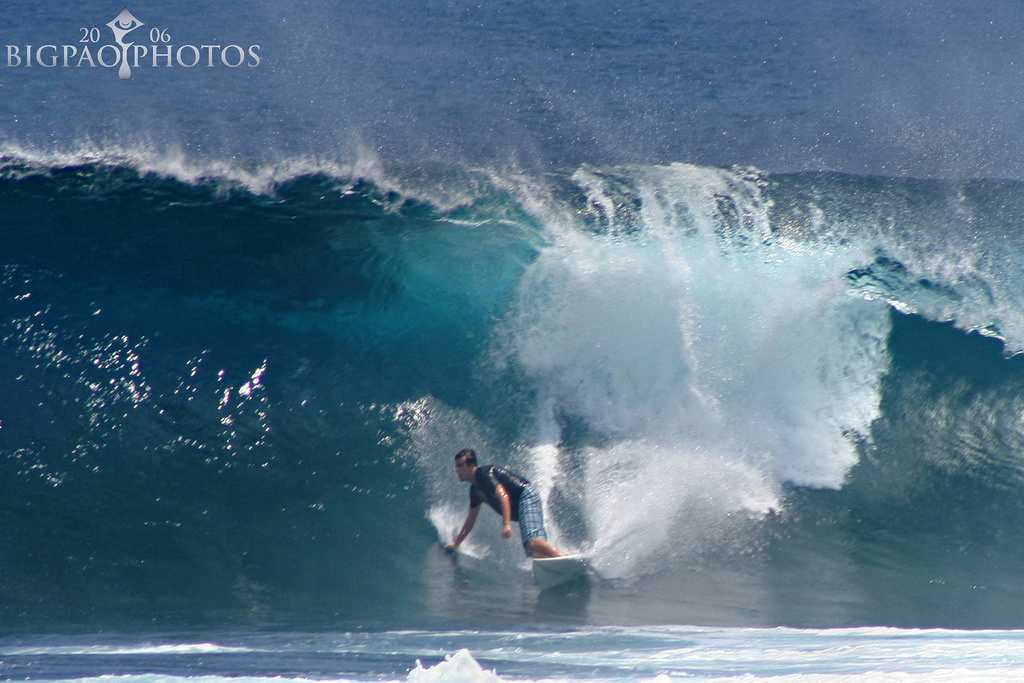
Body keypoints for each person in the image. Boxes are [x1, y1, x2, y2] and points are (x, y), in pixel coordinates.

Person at [446, 448, 562, 558]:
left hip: (525, 496)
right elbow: (470, 521)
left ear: (471, 466)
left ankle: (563, 558)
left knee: (532, 542)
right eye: (457, 466)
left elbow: (503, 496)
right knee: (533, 550)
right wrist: (457, 543)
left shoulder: (483, 474)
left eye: (460, 465)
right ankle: (556, 564)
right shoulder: (475, 490)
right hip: (521, 507)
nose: (457, 469)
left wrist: (506, 524)